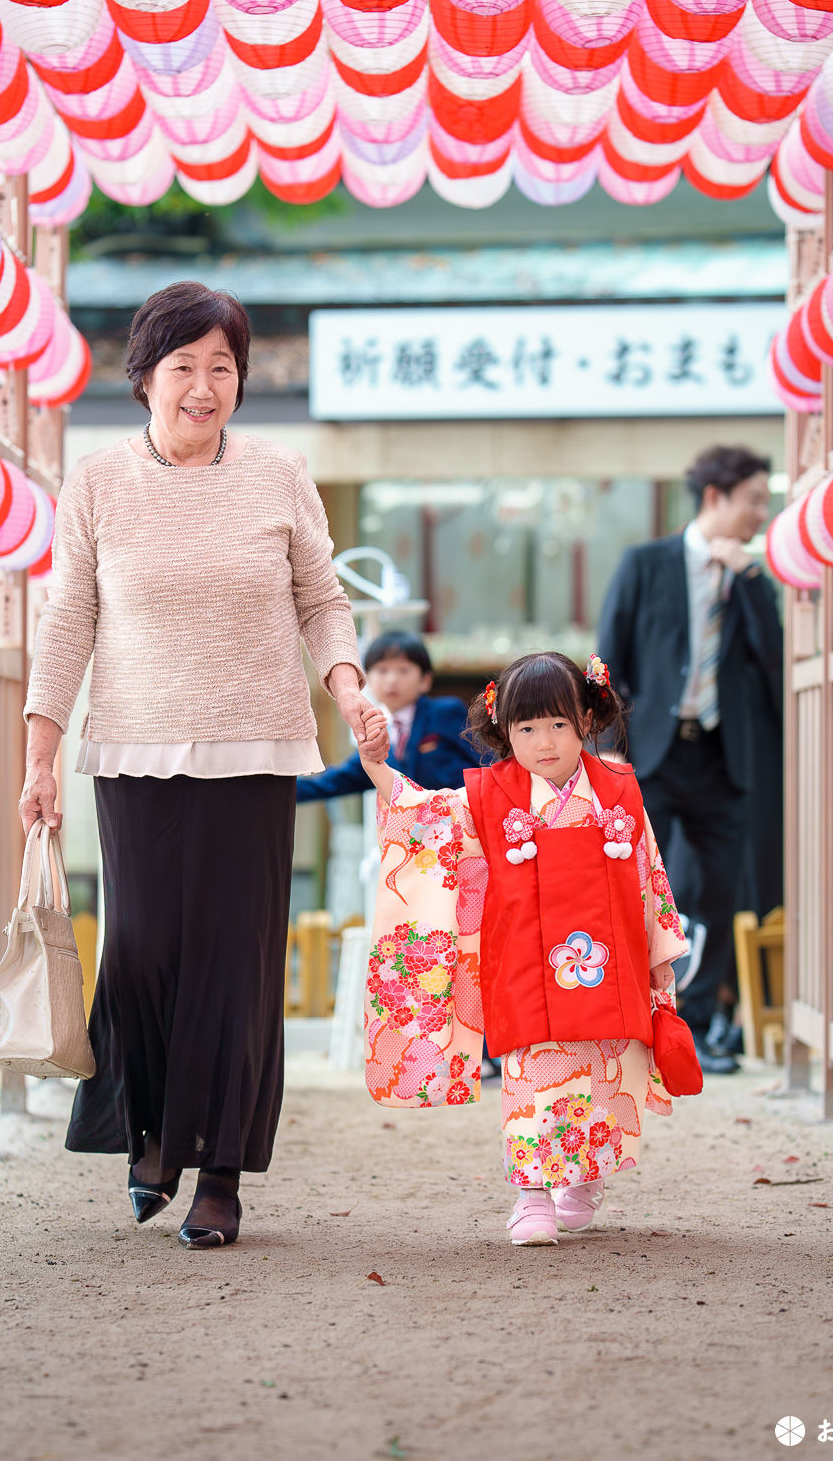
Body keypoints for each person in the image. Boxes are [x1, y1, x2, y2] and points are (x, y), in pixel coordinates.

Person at [19, 281, 384, 1250]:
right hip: (133, 750)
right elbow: (68, 620)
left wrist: (346, 689)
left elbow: (321, 598)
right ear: (143, 376)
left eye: (222, 366)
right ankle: (150, 1135)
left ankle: (218, 1172)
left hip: (255, 749)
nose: (203, 385)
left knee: (235, 960)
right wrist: (40, 751)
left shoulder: (278, 472)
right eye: (183, 365)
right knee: (141, 950)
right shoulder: (97, 481)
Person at [358, 652, 694, 1247]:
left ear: (586, 721)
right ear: (503, 731)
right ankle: (532, 1195)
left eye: (559, 724)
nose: (545, 742)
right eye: (527, 728)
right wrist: (379, 767)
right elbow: (424, 819)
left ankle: (586, 1180)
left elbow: (649, 871)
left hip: (610, 962)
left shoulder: (619, 789)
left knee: (607, 1075)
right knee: (534, 1080)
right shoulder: (489, 795)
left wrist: (661, 952)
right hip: (525, 966)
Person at [596, 444, 782, 1075]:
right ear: (715, 498)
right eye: (754, 498)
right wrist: (614, 746)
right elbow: (608, 660)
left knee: (717, 890)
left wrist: (750, 580)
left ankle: (694, 1030)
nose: (761, 512)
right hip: (652, 752)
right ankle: (626, 1020)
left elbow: (772, 660)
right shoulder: (645, 563)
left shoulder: (752, 578)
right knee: (639, 886)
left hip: (725, 758)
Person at [296, 631, 482, 804]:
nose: (392, 679)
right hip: (414, 837)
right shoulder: (376, 729)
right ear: (366, 678)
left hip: (464, 824)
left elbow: (489, 761)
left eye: (404, 670)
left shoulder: (446, 712)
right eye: (382, 670)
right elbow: (332, 783)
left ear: (425, 680)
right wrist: (277, 789)